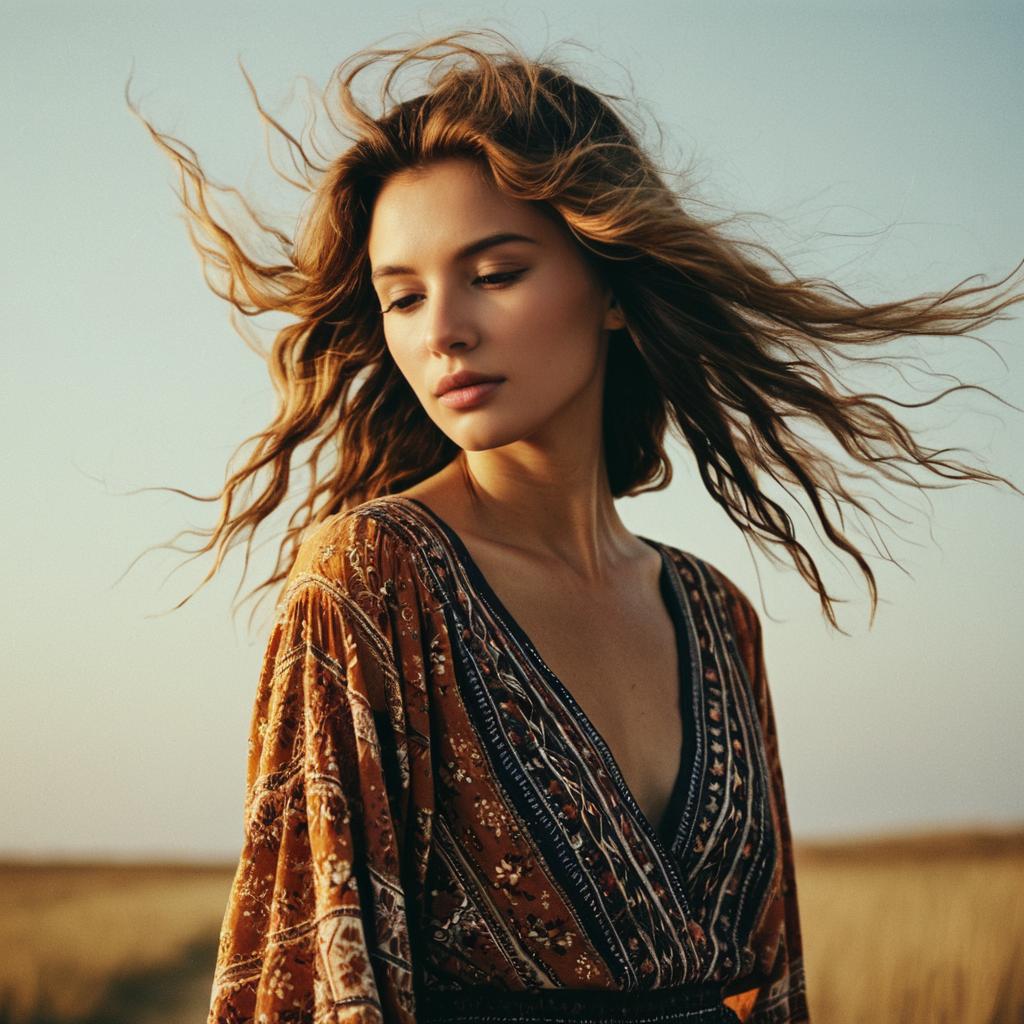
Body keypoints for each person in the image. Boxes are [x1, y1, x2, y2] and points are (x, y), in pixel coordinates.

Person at [130, 29, 1023, 1024]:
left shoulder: (715, 615)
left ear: (610, 288)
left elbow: (774, 983)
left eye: (495, 273)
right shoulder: (372, 581)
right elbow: (311, 984)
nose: (442, 331)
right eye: (404, 297)